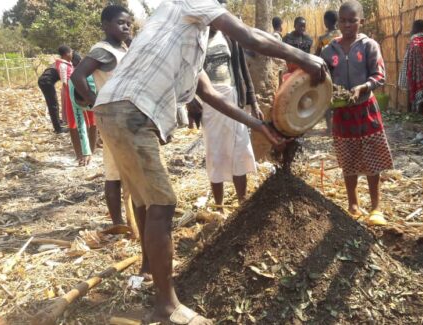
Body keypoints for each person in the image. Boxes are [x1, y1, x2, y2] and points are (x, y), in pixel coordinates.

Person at [92, 0, 327, 323]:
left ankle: (152, 275)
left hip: (112, 108)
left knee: (147, 202)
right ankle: (167, 307)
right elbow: (250, 36)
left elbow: (211, 94)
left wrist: (258, 125)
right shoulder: (191, 3)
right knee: (163, 204)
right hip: (130, 108)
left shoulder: (184, 34)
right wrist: (305, 57)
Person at [321, 1, 393, 226]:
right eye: (343, 20)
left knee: (372, 157)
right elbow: (322, 80)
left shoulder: (369, 46)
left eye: (353, 20)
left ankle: (375, 207)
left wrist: (363, 87)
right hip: (342, 113)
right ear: (338, 22)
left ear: (361, 21)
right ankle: (352, 203)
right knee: (347, 157)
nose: (347, 24)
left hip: (365, 110)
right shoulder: (328, 50)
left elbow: (379, 76)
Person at [71, 6, 135, 244]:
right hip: (113, 119)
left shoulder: (124, 48)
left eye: (129, 23)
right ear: (105, 25)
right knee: (114, 172)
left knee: (130, 169)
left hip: (128, 117)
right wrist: (95, 101)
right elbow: (77, 77)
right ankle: (118, 223)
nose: (126, 27)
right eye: (120, 23)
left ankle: (132, 220)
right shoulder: (103, 50)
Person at [189, 5, 263, 211]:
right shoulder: (194, 39)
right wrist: (189, 101)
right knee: (215, 152)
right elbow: (184, 74)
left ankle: (242, 203)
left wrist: (253, 101)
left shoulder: (229, 37)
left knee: (240, 148)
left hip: (232, 97)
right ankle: (219, 206)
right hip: (209, 105)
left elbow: (242, 71)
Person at [399, 19, 423, 114]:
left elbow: (408, 55)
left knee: (413, 87)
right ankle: (420, 112)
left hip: (412, 68)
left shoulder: (413, 39)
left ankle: (414, 112)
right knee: (422, 88)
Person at [37, 64, 65, 133]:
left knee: (53, 104)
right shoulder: (66, 65)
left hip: (44, 81)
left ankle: (58, 121)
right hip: (46, 82)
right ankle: (58, 129)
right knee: (53, 105)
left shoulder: (59, 63)